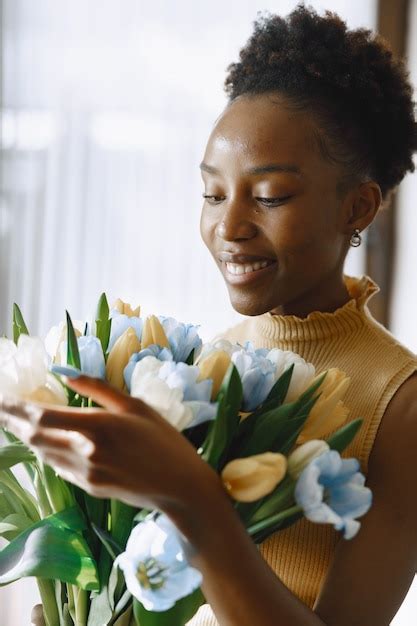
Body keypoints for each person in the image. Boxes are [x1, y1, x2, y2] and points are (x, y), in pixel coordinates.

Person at [4, 4, 417, 625]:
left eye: (270, 196)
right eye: (213, 193)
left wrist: (192, 497)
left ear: (357, 208)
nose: (228, 226)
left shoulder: (401, 405)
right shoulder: (204, 362)